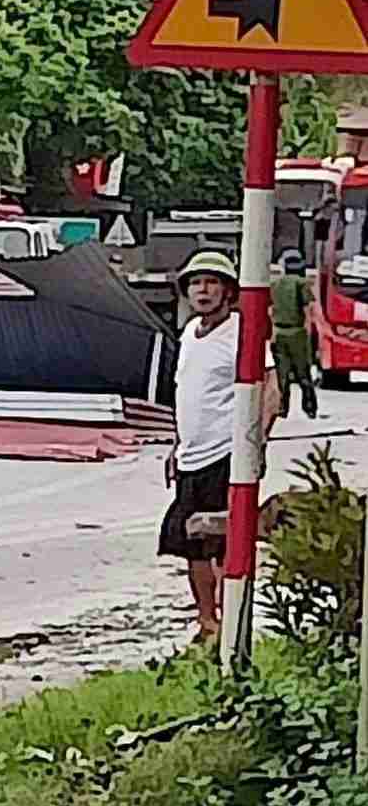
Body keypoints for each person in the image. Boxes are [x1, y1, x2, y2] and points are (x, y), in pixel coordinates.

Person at [159, 251, 280, 644]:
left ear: (228, 291)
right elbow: (186, 393)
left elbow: (270, 390)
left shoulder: (244, 331)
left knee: (224, 541)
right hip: (192, 455)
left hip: (226, 454)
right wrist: (176, 447)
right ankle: (206, 621)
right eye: (196, 283)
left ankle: (233, 622)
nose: (203, 290)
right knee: (190, 543)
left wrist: (255, 444)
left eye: (212, 283)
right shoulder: (190, 331)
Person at [271, 249, 317, 420]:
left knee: (281, 374)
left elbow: (269, 310)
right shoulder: (302, 283)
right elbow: (307, 310)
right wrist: (309, 333)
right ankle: (310, 408)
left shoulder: (275, 284)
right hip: (297, 332)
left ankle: (282, 409)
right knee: (303, 373)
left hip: (278, 331)